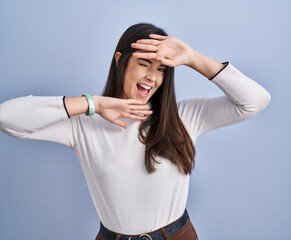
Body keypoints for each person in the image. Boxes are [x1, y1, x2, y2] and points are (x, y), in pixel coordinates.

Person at [0, 23, 271, 240]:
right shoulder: (83, 124)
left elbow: (255, 101)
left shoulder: (185, 117)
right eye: (144, 63)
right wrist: (93, 103)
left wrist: (193, 58)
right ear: (120, 60)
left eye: (161, 69)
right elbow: (6, 118)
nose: (152, 77)